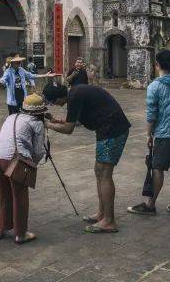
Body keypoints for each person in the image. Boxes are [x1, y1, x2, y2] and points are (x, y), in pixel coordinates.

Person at [43, 80, 130, 233]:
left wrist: (47, 125)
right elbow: (75, 120)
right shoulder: (75, 93)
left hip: (113, 130)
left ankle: (109, 221)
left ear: (58, 99)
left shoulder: (74, 96)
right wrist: (57, 120)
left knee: (104, 174)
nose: (55, 105)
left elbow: (69, 129)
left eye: (53, 103)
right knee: (99, 171)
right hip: (107, 129)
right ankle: (102, 214)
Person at [128, 49, 170, 218]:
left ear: (157, 65)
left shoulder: (154, 86)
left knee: (157, 168)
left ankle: (150, 204)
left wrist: (149, 135)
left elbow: (151, 115)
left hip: (164, 134)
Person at [0, 93, 48, 245]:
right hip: (14, 159)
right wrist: (30, 164)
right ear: (40, 112)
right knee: (19, 196)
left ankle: (1, 228)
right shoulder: (37, 123)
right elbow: (39, 151)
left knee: (5, 193)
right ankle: (20, 234)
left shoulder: (11, 117)